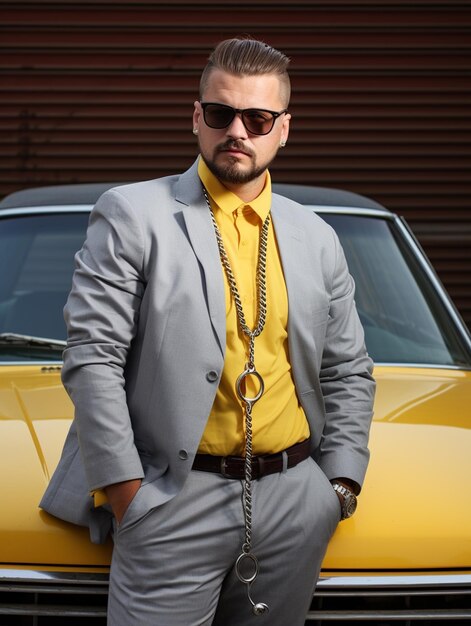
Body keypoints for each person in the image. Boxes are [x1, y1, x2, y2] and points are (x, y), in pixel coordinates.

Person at [40, 37, 375, 626]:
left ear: (283, 129)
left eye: (258, 118)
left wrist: (338, 485)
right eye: (221, 114)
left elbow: (347, 369)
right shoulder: (131, 214)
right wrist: (128, 494)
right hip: (172, 498)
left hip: (295, 497)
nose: (238, 131)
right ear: (197, 118)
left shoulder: (315, 235)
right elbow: (93, 358)